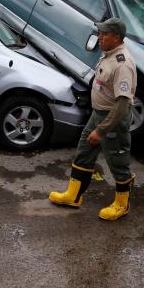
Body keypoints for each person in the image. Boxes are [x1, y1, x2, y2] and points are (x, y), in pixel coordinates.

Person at [48, 17, 137, 221]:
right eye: (100, 33)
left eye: (104, 34)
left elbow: (122, 105)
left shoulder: (123, 64)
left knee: (118, 162)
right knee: (84, 152)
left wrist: (102, 130)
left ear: (116, 37)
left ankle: (122, 205)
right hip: (98, 115)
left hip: (112, 119)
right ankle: (73, 196)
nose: (100, 37)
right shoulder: (108, 55)